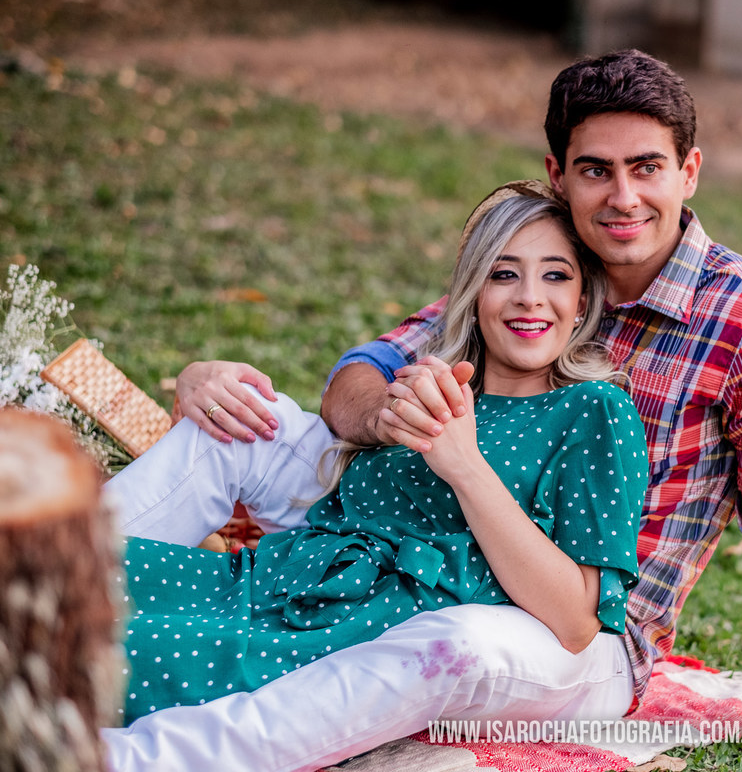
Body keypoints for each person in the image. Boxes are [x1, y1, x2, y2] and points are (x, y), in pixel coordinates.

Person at [106, 50, 742, 772]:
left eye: (647, 167)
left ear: (689, 172)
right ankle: (58, 569)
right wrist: (395, 415)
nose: (622, 197)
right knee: (243, 420)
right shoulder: (547, 258)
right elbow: (361, 376)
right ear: (558, 173)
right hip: (426, 531)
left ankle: (148, 754)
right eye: (596, 170)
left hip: (579, 625)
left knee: (457, 642)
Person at [104, 187, 647, 734]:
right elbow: (347, 407)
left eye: (555, 275)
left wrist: (464, 466)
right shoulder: (432, 388)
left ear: (582, 302)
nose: (530, 297)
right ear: (473, 294)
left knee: (103, 654)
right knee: (81, 582)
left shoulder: (592, 408)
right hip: (279, 578)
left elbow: (576, 620)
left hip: (353, 632)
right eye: (504, 274)